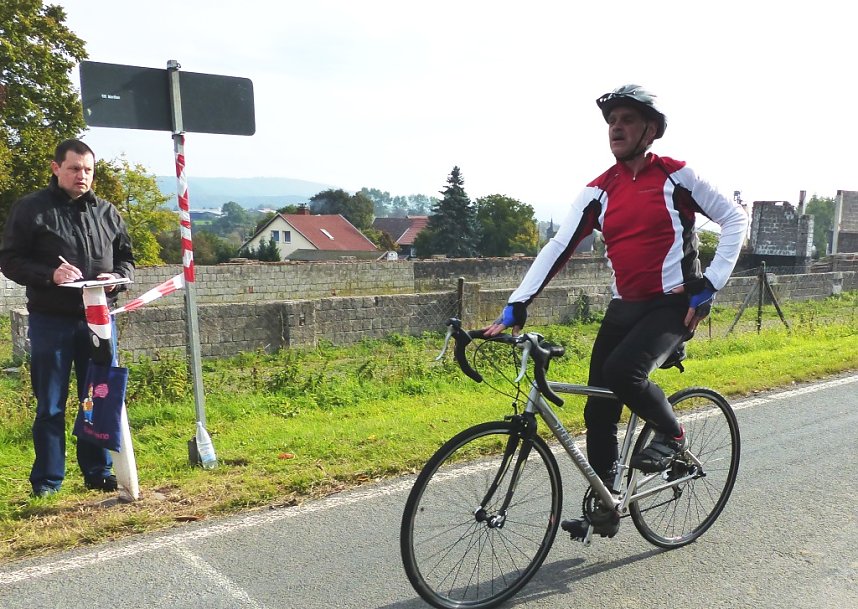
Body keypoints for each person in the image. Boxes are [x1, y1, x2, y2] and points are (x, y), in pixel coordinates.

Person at [484, 85, 748, 540]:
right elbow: (558, 246)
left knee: (624, 371)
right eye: (611, 122)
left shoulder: (676, 176)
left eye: (627, 120)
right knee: (598, 409)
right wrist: (517, 303)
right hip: (625, 306)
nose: (617, 128)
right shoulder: (598, 190)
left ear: (650, 130)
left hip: (672, 303)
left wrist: (710, 285)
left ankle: (673, 435)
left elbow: (735, 219)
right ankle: (605, 503)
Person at [0, 139, 135, 498]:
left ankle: (97, 471)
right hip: (51, 321)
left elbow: (126, 260)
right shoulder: (31, 210)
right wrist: (51, 275)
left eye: (88, 170)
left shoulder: (108, 212)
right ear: (55, 167)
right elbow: (9, 260)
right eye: (74, 168)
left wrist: (115, 278)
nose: (82, 176)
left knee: (97, 398)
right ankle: (48, 481)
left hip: (98, 321)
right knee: (51, 404)